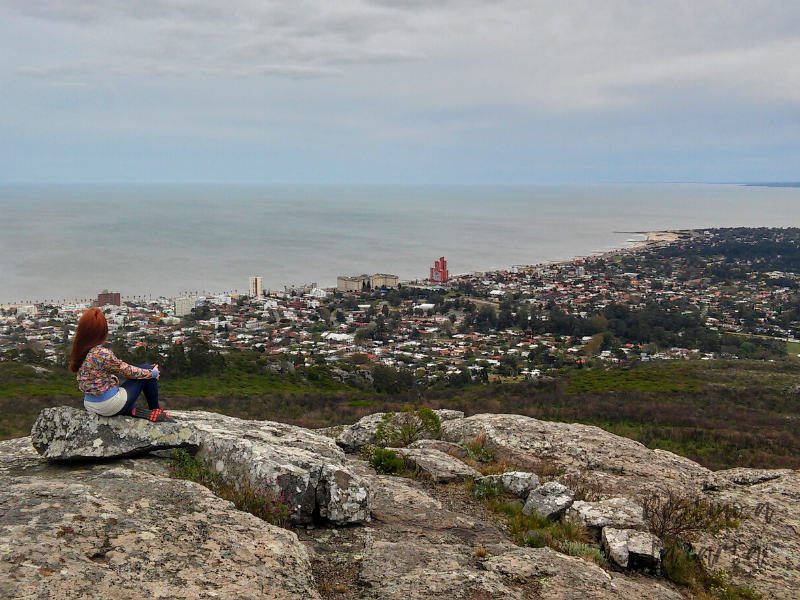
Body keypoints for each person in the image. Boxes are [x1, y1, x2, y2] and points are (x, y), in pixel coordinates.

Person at [69, 307, 172, 422]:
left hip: (89, 404)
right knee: (147, 368)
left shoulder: (80, 351)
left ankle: (132, 410)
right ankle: (156, 410)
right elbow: (127, 370)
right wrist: (153, 373)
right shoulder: (102, 354)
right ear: (102, 332)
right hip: (108, 405)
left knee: (127, 393)